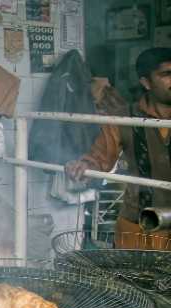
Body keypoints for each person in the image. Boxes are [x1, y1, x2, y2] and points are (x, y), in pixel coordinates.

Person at [65, 48, 171, 249]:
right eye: (166, 74)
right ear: (146, 82)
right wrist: (83, 166)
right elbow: (100, 155)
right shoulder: (124, 117)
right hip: (137, 223)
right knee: (128, 279)